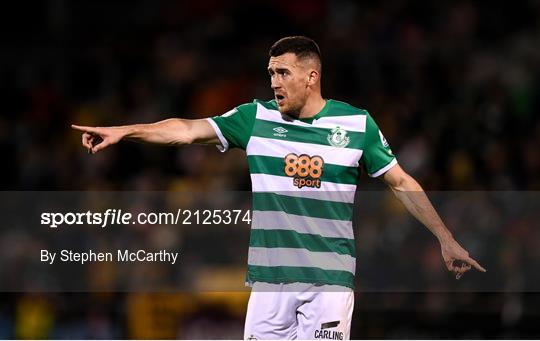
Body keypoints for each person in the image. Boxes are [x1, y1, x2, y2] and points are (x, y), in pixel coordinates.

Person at [72, 36, 486, 340]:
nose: (274, 81)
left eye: (283, 72)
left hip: (328, 281)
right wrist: (125, 130)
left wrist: (444, 237)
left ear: (312, 77)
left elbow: (401, 181)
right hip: (269, 282)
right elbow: (185, 129)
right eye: (270, 73)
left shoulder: (357, 124)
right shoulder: (254, 118)